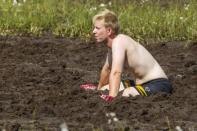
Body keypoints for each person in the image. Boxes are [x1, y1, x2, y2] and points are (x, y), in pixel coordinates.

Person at [92, 9, 173, 102]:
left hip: (159, 84)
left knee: (127, 93)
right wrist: (99, 89)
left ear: (109, 30)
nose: (94, 31)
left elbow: (116, 72)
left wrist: (111, 98)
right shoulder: (112, 46)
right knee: (105, 88)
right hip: (139, 83)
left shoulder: (119, 41)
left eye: (97, 28)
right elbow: (107, 70)